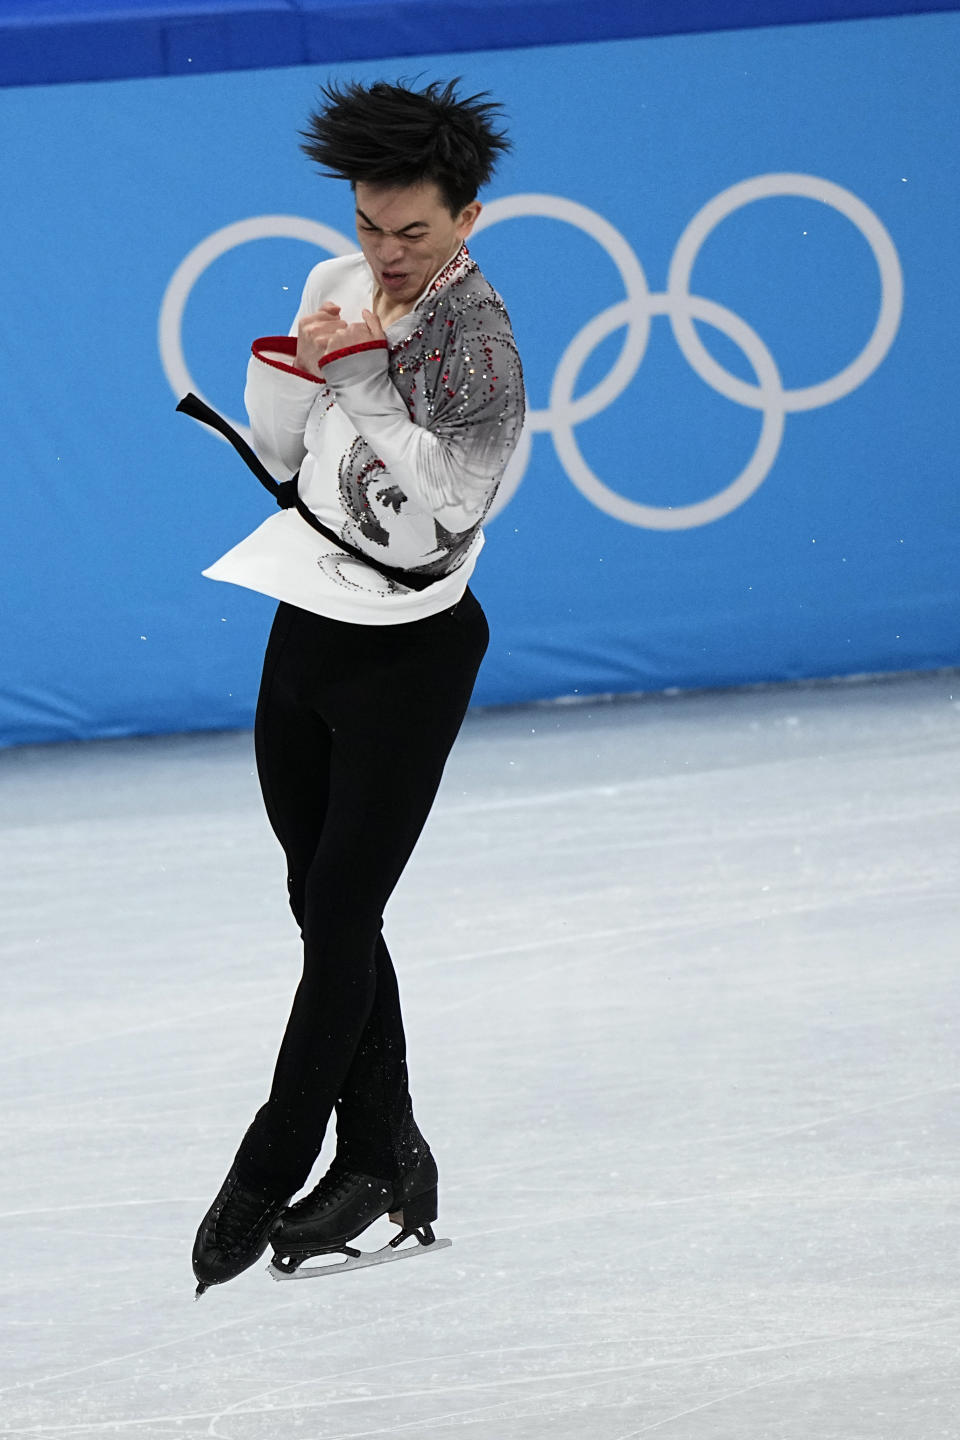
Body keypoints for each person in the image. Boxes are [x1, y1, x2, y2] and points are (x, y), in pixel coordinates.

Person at [191, 77, 524, 1295]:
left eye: (414, 236)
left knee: (341, 908)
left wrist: (371, 377)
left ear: (470, 218)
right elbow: (284, 454)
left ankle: (276, 1154)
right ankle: (387, 1151)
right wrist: (297, 369)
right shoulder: (338, 284)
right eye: (370, 228)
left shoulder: (477, 351)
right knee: (319, 897)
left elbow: (453, 501)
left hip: (415, 646)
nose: (383, 260)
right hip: (311, 612)